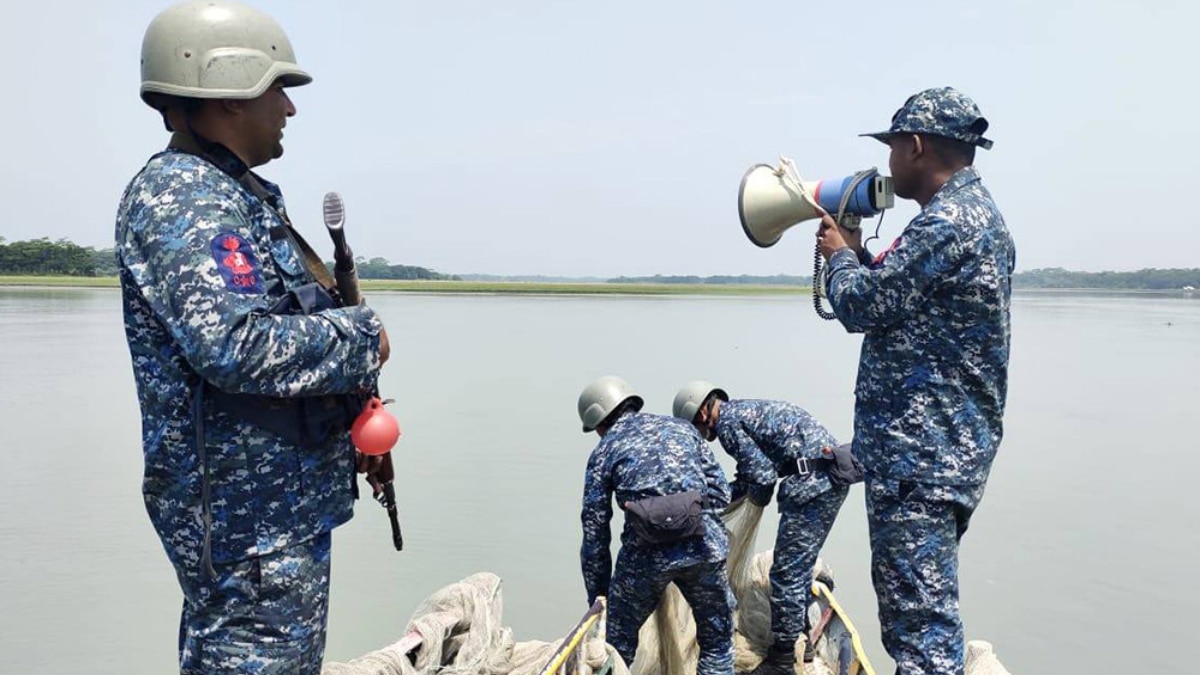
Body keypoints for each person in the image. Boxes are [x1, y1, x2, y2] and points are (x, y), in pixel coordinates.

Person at [115, 2, 390, 672]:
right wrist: (362, 336)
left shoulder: (230, 193)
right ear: (229, 91)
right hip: (249, 531)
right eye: (278, 89)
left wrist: (352, 411)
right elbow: (234, 345)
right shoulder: (185, 198)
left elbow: (277, 326)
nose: (288, 110)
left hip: (275, 517)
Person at [816, 86, 1015, 675]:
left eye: (894, 147)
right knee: (925, 611)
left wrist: (840, 257)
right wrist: (859, 256)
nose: (889, 163)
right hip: (946, 451)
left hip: (921, 460)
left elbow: (863, 307)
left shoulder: (947, 223)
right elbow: (910, 304)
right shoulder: (975, 216)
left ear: (918, 146)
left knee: (919, 629)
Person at [673, 382, 856, 671]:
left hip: (811, 486)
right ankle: (801, 641)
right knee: (798, 566)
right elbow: (753, 474)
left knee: (786, 571)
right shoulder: (742, 411)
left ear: (701, 414)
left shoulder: (728, 424)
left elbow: (761, 478)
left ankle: (783, 658)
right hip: (828, 478)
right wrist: (731, 498)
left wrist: (726, 503)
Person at [577, 376, 735, 675]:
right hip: (704, 548)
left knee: (615, 647)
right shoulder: (684, 429)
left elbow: (595, 530)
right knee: (717, 643)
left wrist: (600, 599)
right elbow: (720, 493)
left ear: (599, 419)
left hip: (644, 560)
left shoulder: (604, 451)